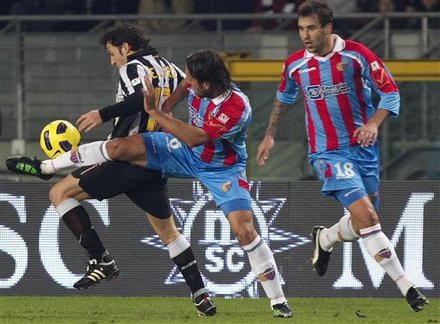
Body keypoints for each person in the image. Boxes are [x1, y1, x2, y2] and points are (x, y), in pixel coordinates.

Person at [6, 48, 293, 319]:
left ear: (206, 84)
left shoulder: (237, 107)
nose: (187, 83)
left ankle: (278, 302)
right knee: (119, 147)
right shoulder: (196, 84)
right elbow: (181, 87)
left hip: (221, 169)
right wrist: (168, 106)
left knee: (244, 231)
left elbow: (195, 137)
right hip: (181, 151)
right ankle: (47, 166)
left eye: (192, 80)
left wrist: (156, 113)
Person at [27, 21, 216, 317]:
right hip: (156, 160)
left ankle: (101, 260)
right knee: (168, 232)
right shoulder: (168, 66)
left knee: (59, 192)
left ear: (125, 47)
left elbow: (138, 102)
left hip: (127, 156)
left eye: (112, 52)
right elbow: (191, 90)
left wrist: (102, 114)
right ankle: (201, 294)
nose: (112, 59)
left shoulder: (132, 67)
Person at [255, 0, 429, 312]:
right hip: (327, 153)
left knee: (364, 222)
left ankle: (326, 238)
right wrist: (269, 135)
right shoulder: (295, 65)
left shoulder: (357, 56)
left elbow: (390, 92)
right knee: (369, 218)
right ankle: (408, 288)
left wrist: (374, 123)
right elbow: (282, 100)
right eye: (300, 29)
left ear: (327, 28)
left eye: (311, 28)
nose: (305, 35)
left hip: (364, 151)